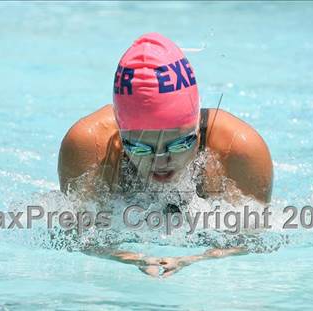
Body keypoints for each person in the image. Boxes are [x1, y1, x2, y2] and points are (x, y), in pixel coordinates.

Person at [57, 33, 273, 277]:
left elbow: (254, 243)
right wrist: (126, 257)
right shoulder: (90, 147)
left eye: (178, 145)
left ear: (198, 133)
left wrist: (196, 259)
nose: (160, 161)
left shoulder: (238, 151)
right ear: (120, 134)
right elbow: (75, 237)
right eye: (140, 148)